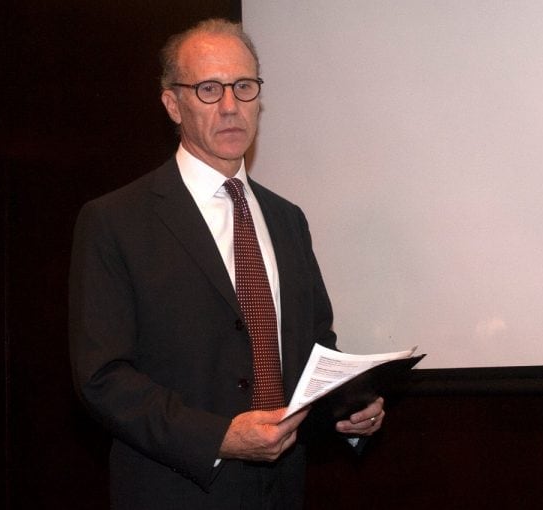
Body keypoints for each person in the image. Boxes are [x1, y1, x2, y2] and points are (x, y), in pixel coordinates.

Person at [69, 18, 384, 509]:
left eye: (244, 86)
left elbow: (313, 349)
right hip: (175, 492)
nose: (232, 106)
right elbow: (103, 378)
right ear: (173, 104)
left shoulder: (287, 219)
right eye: (210, 89)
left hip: (282, 491)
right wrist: (220, 437)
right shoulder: (116, 221)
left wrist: (345, 410)